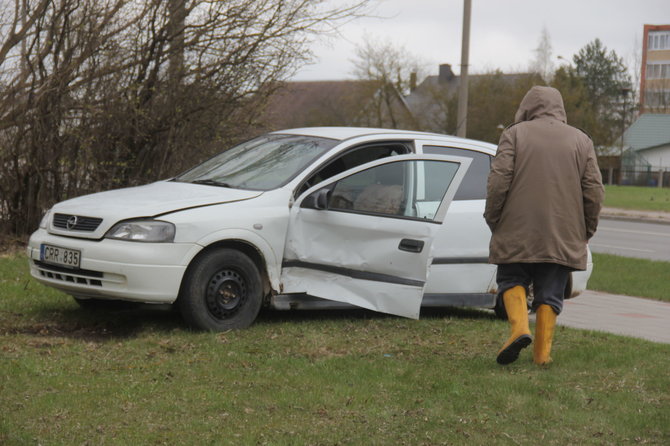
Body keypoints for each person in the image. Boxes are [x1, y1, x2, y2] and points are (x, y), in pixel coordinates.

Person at [484, 86, 604, 366]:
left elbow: (498, 181)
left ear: (526, 107)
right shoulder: (581, 140)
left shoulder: (514, 134)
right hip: (563, 230)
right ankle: (542, 355)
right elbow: (594, 191)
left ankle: (519, 329)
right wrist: (587, 228)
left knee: (511, 280)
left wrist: (494, 217)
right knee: (550, 291)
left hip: (516, 226)